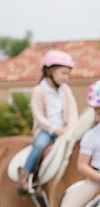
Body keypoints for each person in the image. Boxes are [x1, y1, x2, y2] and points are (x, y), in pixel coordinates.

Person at [18, 49, 78, 192]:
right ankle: (25, 174)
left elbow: (73, 110)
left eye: (68, 74)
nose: (66, 77)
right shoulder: (39, 90)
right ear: (50, 71)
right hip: (46, 130)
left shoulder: (66, 90)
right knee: (39, 146)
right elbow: (38, 115)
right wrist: (54, 129)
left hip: (65, 130)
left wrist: (70, 127)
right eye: (63, 73)